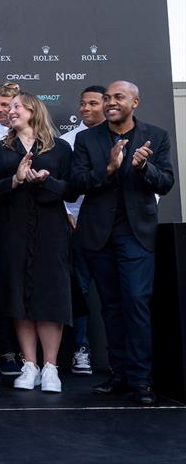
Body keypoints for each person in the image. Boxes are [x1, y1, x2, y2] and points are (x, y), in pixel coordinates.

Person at [71, 81, 174, 405]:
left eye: (118, 97)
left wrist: (144, 167)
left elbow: (166, 182)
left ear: (135, 102)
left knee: (136, 302)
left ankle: (141, 379)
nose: (110, 102)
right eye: (107, 98)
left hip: (136, 234)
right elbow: (76, 183)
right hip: (98, 234)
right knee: (111, 307)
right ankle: (119, 375)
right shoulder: (87, 139)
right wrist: (109, 168)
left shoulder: (156, 136)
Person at [0, 92, 75, 393]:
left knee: (50, 294)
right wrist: (15, 179)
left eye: (16, 107)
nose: (9, 111)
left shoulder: (61, 147)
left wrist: (44, 180)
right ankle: (30, 364)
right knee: (18, 294)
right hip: (11, 227)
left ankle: (51, 367)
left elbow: (73, 190)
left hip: (51, 229)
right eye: (7, 108)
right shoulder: (1, 148)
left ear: (32, 110)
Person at [60, 85, 106, 376]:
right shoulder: (66, 142)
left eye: (92, 103)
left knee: (121, 295)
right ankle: (81, 349)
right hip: (77, 231)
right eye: (82, 103)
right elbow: (60, 184)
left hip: (115, 230)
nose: (85, 108)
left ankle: (123, 358)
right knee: (79, 291)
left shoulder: (126, 139)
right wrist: (66, 214)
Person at [0, 81, 24, 377]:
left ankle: (29, 353)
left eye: (8, 105)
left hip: (26, 222)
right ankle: (4, 350)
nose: (2, 111)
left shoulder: (39, 138)